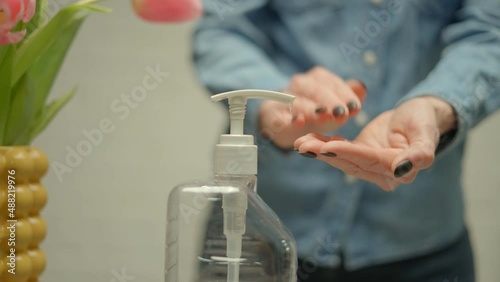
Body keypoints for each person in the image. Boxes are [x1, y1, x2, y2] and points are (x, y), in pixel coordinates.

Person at [192, 0, 500, 281]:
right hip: (261, 237)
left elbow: (490, 34)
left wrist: (438, 107)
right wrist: (272, 99)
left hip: (422, 242)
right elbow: (221, 31)